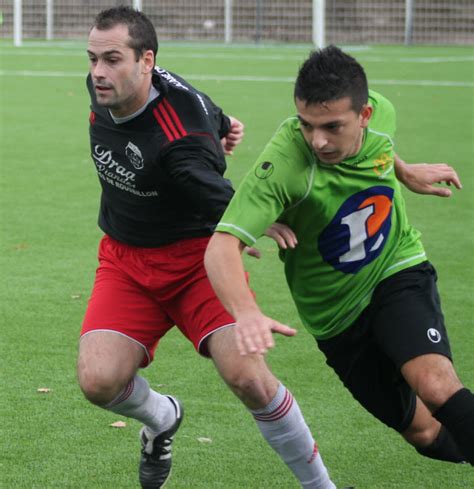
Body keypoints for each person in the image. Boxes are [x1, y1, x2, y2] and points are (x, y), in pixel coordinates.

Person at [77, 6, 348, 489]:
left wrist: (259, 222)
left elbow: (215, 189)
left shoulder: (183, 143)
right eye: (93, 58)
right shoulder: (110, 85)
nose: (98, 72)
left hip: (195, 262)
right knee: (98, 381)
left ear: (145, 61)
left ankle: (322, 487)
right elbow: (189, 91)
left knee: (249, 379)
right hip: (125, 260)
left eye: (112, 59)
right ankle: (162, 417)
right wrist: (225, 120)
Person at [205, 45, 473, 467]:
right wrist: (246, 312)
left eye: (332, 126)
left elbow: (379, 146)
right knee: (423, 431)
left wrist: (404, 171)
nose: (318, 140)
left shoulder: (380, 112)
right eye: (307, 125)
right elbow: (220, 247)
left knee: (436, 386)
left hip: (395, 268)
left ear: (364, 115)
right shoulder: (284, 164)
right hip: (335, 317)